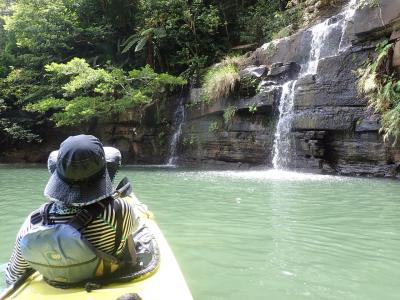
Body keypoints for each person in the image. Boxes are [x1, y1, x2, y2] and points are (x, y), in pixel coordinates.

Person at [5, 135, 138, 287]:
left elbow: (14, 273)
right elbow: (131, 231)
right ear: (104, 173)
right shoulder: (119, 211)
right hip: (103, 281)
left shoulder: (34, 222)